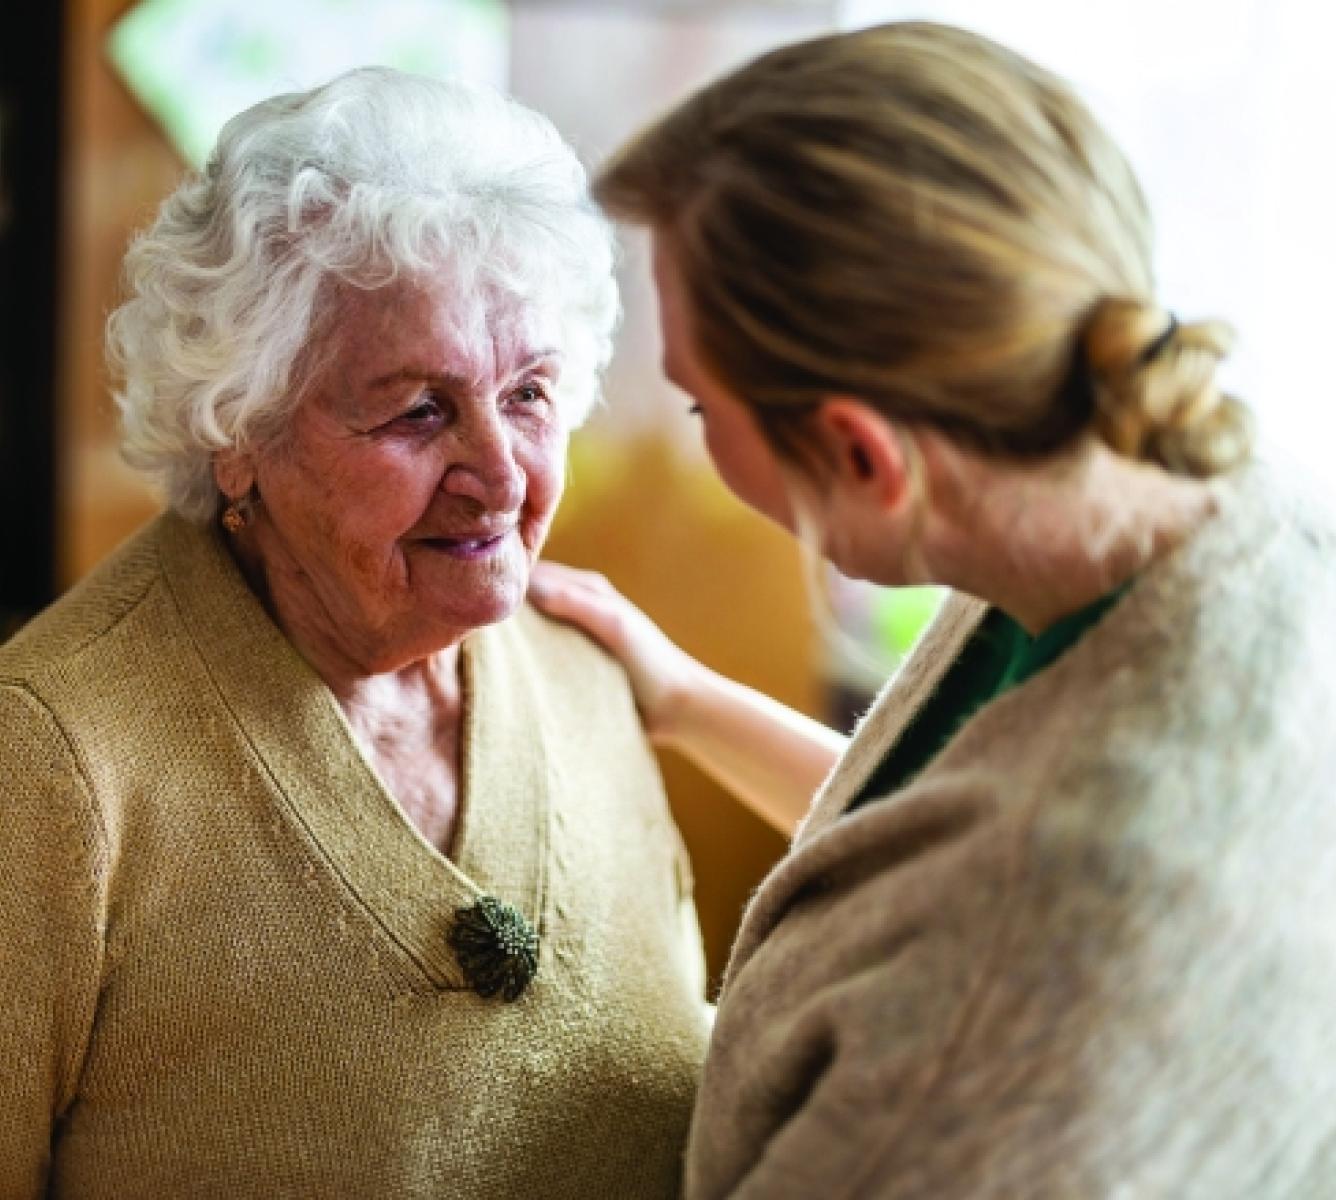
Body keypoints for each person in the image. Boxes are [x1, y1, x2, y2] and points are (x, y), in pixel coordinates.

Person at [529, 21, 1336, 1198]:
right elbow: (934, 841)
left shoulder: (1022, 987)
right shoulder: (1172, 495)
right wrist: (684, 701)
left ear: (861, 455)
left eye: (702, 410)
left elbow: (996, 901)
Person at [0, 67, 711, 1198]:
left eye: (528, 393)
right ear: (236, 427)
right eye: (418, 411)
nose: (497, 474)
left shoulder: (588, 678)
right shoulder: (50, 758)